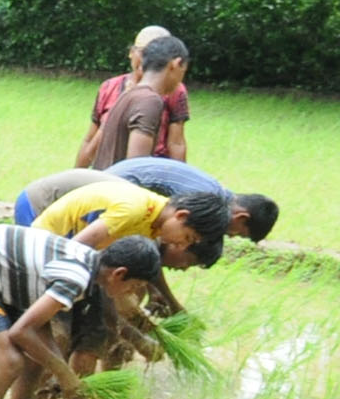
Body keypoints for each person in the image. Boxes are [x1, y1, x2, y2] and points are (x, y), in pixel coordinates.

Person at [0, 225, 161, 399]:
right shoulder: (76, 278)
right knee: (10, 361)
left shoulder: (94, 267)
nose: (131, 292)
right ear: (119, 274)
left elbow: (39, 330)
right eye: (133, 286)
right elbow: (21, 331)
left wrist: (60, 368)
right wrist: (65, 374)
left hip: (10, 279)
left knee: (34, 362)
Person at [32, 177, 226, 267]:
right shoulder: (135, 209)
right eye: (187, 237)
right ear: (181, 216)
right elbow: (77, 248)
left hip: (61, 247)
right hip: (42, 244)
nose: (182, 245)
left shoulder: (153, 226)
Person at [77, 27, 191, 165]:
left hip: (147, 169)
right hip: (122, 178)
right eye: (143, 52)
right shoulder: (141, 98)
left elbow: (176, 143)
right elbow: (136, 168)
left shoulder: (172, 92)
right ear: (131, 52)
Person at [110, 155, 277, 241]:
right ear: (241, 217)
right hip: (114, 191)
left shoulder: (215, 192)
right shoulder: (206, 201)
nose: (231, 236)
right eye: (239, 234)